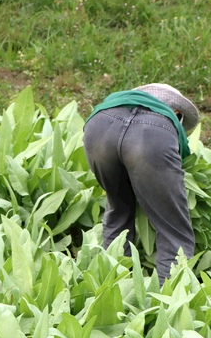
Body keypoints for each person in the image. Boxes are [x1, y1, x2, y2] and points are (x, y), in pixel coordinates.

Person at [83, 83, 200, 284]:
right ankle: (170, 304)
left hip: (99, 126)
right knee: (174, 230)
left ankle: (116, 291)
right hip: (150, 135)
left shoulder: (117, 102)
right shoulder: (164, 118)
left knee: (117, 210)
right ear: (176, 112)